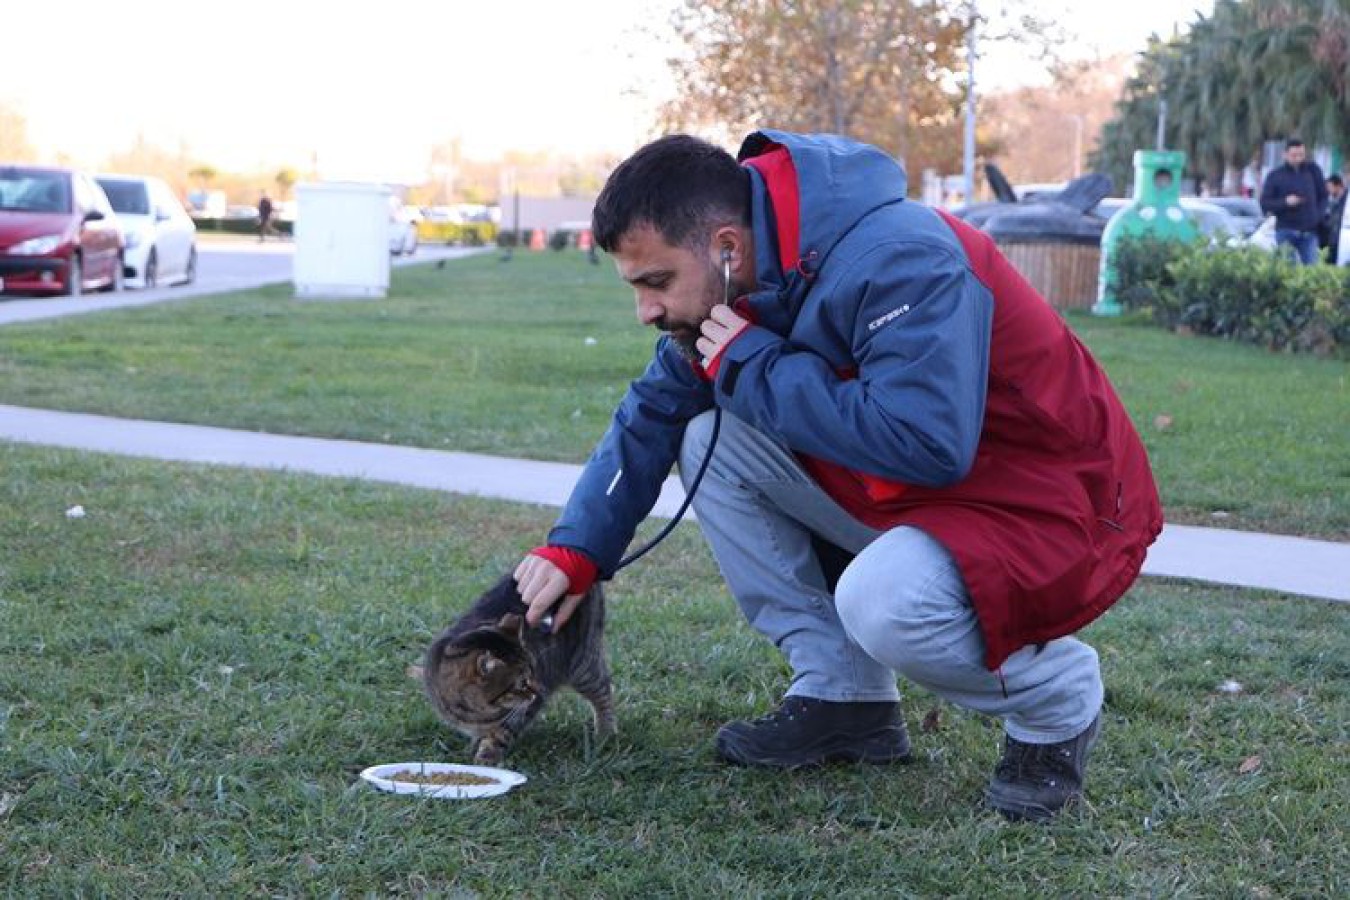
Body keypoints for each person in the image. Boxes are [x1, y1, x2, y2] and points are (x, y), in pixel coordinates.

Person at [512, 131, 1162, 823]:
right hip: (936, 493)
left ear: (727, 247)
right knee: (709, 438)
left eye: (656, 281)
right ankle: (845, 697)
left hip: (1052, 500)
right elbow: (653, 414)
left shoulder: (902, 256)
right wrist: (577, 549)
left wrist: (755, 366)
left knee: (883, 600)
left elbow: (925, 440)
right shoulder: (742, 278)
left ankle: (1055, 701)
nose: (645, 310)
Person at [1259, 139, 1327, 265]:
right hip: (1286, 230)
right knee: (1287, 270)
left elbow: (1323, 196)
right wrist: (1285, 202)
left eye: (1301, 155)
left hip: (1310, 232)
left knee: (1313, 269)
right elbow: (1265, 203)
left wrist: (1317, 216)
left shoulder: (1313, 171)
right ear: (1285, 155)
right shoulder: (1275, 176)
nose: (1298, 159)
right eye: (1294, 155)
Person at [1320, 174, 1346, 265]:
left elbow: (1332, 221)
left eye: (1330, 187)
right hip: (1330, 240)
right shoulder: (1332, 200)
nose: (1328, 190)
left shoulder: (1344, 202)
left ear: (1338, 186)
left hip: (1338, 241)